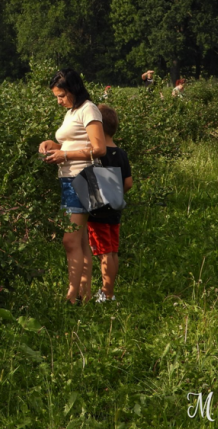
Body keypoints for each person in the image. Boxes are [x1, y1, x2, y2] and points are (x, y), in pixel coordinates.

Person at [38, 69, 106, 304]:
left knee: (69, 240)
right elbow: (72, 142)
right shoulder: (72, 111)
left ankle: (71, 295)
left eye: (61, 95)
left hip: (83, 178)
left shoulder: (89, 109)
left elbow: (99, 149)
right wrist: (53, 145)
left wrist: (64, 155)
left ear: (74, 89)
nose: (59, 101)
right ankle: (83, 295)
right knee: (80, 240)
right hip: (69, 179)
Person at [86, 105, 132, 303]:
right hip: (115, 208)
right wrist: (116, 193)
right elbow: (128, 183)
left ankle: (107, 293)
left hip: (98, 211)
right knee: (112, 251)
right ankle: (109, 291)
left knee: (103, 252)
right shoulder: (121, 153)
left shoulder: (97, 153)